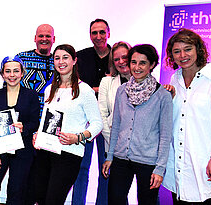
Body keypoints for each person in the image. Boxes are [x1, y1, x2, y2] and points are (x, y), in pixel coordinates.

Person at [102, 44, 173, 205]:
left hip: (148, 162)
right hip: (120, 158)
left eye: (143, 63)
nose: (137, 67)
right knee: (115, 200)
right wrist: (110, 156)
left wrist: (160, 168)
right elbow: (116, 128)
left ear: (152, 65)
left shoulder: (163, 95)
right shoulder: (122, 91)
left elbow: (165, 135)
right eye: (133, 62)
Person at [33, 44, 103, 204]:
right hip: (46, 150)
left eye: (65, 57)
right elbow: (46, 119)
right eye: (57, 58)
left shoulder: (84, 90)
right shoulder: (49, 89)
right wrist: (38, 134)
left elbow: (97, 123)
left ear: (74, 61)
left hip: (69, 153)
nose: (61, 62)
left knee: (53, 200)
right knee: (40, 197)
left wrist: (78, 138)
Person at [162, 28, 211, 204]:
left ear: (198, 49)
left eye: (188, 49)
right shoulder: (175, 79)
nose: (183, 55)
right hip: (178, 162)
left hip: (203, 159)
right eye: (176, 51)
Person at [0, 56, 39, 204]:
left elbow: (35, 122)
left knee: (16, 191)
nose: (12, 75)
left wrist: (24, 127)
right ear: (2, 74)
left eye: (16, 71)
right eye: (8, 71)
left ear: (22, 73)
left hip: (22, 150)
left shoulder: (31, 95)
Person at [72, 18, 111, 205]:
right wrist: (99, 89)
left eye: (102, 32)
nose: (98, 36)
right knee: (81, 167)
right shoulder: (80, 57)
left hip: (110, 121)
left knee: (106, 167)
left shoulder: (118, 57)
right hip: (85, 121)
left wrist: (94, 89)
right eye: (94, 33)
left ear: (108, 33)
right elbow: (75, 86)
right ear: (90, 35)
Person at [15, 24, 55, 205]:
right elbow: (10, 86)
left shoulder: (59, 61)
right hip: (25, 124)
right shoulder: (22, 59)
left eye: (48, 36)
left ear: (53, 39)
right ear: (35, 38)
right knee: (23, 172)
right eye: (41, 36)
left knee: (44, 173)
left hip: (49, 126)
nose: (44, 39)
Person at [98, 41, 131, 155]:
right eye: (116, 59)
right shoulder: (106, 82)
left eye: (124, 57)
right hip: (113, 147)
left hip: (139, 148)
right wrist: (114, 142)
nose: (121, 62)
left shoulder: (148, 83)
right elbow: (101, 115)